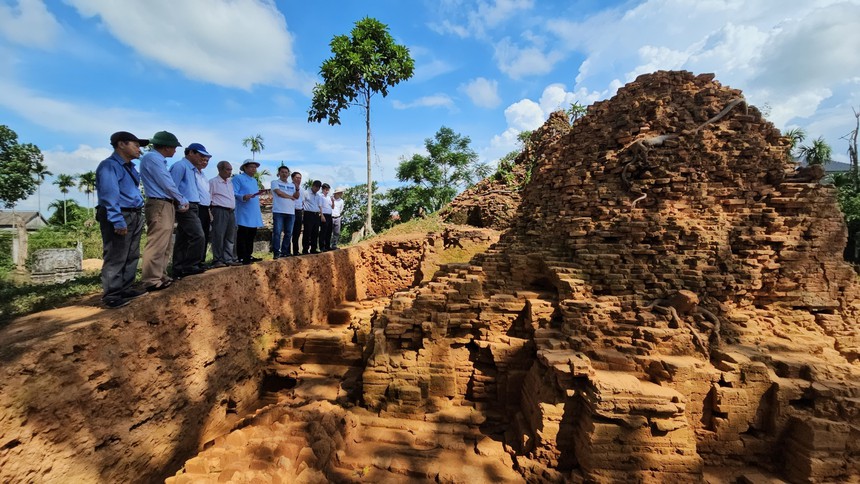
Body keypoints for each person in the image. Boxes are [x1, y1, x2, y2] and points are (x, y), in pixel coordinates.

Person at [95, 131, 149, 308]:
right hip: (120, 213)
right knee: (116, 254)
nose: (139, 149)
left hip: (134, 212)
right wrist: (117, 219)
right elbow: (109, 194)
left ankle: (125, 288)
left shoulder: (130, 167)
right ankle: (112, 295)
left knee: (131, 253)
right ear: (121, 144)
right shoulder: (109, 166)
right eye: (136, 145)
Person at [140, 130, 186, 291]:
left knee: (165, 243)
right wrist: (181, 198)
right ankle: (151, 279)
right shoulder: (152, 158)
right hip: (159, 203)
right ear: (166, 147)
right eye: (174, 147)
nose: (175, 150)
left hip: (165, 203)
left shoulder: (157, 159)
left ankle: (161, 275)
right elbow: (166, 182)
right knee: (157, 242)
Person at [169, 143, 210, 278]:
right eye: (200, 155)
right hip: (185, 205)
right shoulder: (180, 166)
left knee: (183, 237)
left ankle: (178, 268)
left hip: (193, 205)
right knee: (198, 235)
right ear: (190, 153)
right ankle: (190, 265)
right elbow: (172, 187)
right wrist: (179, 203)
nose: (202, 158)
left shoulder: (192, 169)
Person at [209, 161, 240, 268]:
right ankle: (217, 260)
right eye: (227, 169)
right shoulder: (213, 182)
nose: (230, 172)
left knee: (231, 236)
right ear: (220, 170)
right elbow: (209, 197)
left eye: (231, 169)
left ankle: (228, 258)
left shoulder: (230, 183)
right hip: (219, 210)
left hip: (231, 211)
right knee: (219, 235)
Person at [233, 159, 264, 264]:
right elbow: (233, 192)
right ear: (245, 168)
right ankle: (241, 256)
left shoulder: (254, 180)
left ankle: (248, 255)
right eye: (251, 167)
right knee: (243, 233)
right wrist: (243, 196)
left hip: (253, 210)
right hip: (243, 210)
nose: (254, 169)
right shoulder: (238, 178)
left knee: (251, 234)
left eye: (255, 167)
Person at [271, 165, 299, 258]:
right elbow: (279, 193)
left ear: (288, 174)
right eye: (282, 172)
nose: (284, 174)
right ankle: (276, 252)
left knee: (288, 233)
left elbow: (296, 196)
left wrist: (297, 189)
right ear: (279, 173)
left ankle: (284, 251)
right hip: (278, 211)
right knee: (277, 232)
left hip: (290, 212)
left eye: (286, 172)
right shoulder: (275, 182)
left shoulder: (292, 185)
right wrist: (290, 197)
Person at [192, 144, 212, 265]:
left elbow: (207, 194)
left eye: (207, 161)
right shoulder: (192, 173)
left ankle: (201, 261)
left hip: (205, 208)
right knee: (197, 235)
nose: (205, 162)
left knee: (204, 234)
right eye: (203, 159)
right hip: (196, 207)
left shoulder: (204, 176)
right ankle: (193, 262)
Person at [302, 180, 324, 254]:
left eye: (318, 187)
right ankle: (305, 249)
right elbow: (302, 202)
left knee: (315, 232)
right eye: (316, 187)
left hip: (316, 214)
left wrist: (321, 214)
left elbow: (319, 205)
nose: (317, 189)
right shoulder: (306, 193)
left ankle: (313, 249)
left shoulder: (318, 196)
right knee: (307, 232)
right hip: (308, 214)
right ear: (313, 186)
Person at [290, 171, 304, 256]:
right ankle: (287, 251)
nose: (299, 179)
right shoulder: (289, 186)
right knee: (289, 232)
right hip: (291, 211)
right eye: (297, 178)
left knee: (297, 232)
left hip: (299, 211)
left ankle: (296, 251)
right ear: (292, 178)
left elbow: (302, 200)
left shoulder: (302, 189)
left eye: (300, 178)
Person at [318, 183, 334, 251]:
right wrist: (322, 215)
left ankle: (327, 246)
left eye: (328, 190)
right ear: (323, 189)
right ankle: (322, 246)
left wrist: (333, 201)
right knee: (323, 231)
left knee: (329, 231)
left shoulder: (328, 197)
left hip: (329, 215)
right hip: (324, 214)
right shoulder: (320, 196)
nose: (327, 191)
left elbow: (332, 207)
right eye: (326, 189)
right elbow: (320, 206)